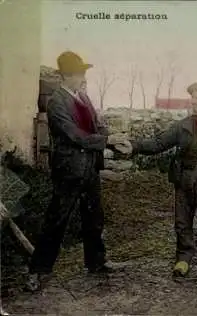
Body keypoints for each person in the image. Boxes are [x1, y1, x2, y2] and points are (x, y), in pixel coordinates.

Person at [114, 81, 197, 280]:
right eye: (192, 97)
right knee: (182, 223)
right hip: (184, 180)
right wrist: (134, 146)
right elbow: (159, 143)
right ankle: (183, 257)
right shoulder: (182, 126)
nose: (193, 102)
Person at [26, 51, 127, 291]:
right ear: (66, 76)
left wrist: (113, 137)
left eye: (83, 73)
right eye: (79, 73)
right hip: (68, 171)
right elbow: (74, 135)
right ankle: (37, 271)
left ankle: (96, 262)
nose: (83, 78)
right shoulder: (56, 102)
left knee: (94, 217)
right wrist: (106, 141)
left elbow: (97, 125)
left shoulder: (84, 98)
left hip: (90, 168)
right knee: (57, 221)